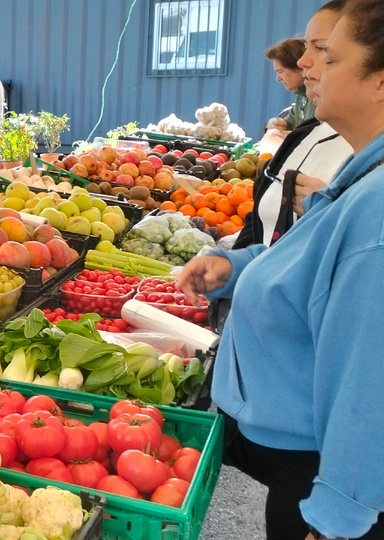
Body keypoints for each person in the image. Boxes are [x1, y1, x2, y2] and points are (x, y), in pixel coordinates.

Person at [178, 0, 384, 537]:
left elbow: (371, 378)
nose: (310, 67)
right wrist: (239, 264)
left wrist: (337, 518)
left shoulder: (379, 208)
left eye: (330, 58)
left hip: (322, 486)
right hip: (297, 462)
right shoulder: (365, 174)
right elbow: (314, 267)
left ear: (380, 81)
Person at [234, 1, 353, 248]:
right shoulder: (306, 134)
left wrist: (330, 214)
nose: (303, 62)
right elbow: (260, 224)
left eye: (322, 48)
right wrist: (235, 264)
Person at [264, 37, 315, 134]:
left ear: (300, 67)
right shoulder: (301, 95)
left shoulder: (316, 98)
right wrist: (273, 123)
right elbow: (287, 124)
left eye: (281, 72)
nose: (278, 78)